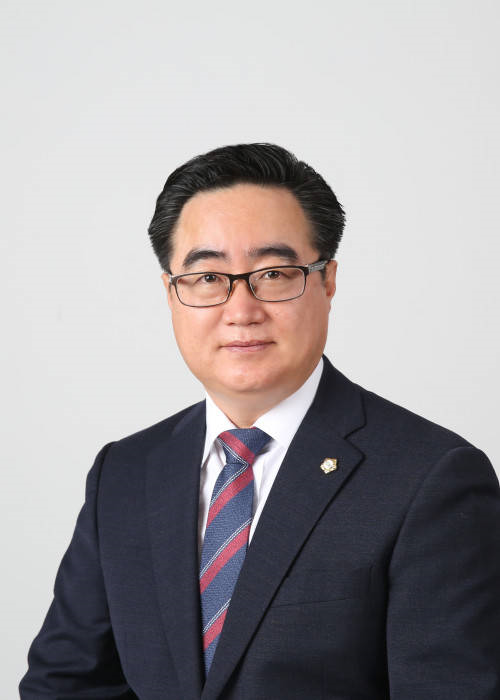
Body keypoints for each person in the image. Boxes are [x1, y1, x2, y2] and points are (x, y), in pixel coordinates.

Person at [20, 143, 500, 700]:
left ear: (327, 281)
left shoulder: (431, 478)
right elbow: (66, 686)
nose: (241, 310)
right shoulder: (125, 472)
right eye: (207, 277)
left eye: (273, 273)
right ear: (171, 294)